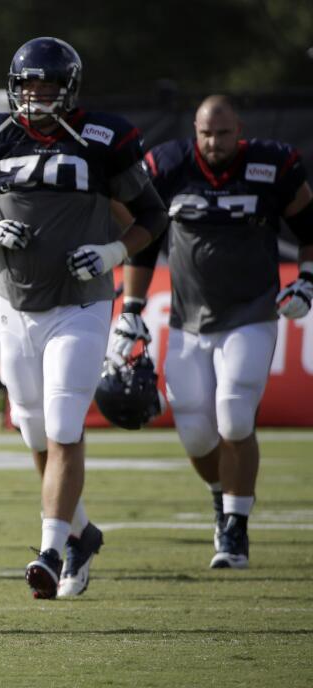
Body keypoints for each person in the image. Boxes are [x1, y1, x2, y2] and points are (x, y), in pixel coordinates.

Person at [0, 37, 168, 599]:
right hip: (14, 304)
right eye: (29, 85)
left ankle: (49, 549)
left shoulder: (103, 138)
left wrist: (114, 252)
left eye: (47, 86)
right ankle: (82, 532)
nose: (37, 96)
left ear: (68, 89)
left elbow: (152, 214)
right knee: (32, 427)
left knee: (64, 427)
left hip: (80, 301)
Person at [118, 95, 313, 569]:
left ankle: (235, 527)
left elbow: (311, 227)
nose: (214, 142)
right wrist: (133, 306)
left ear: (239, 130)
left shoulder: (273, 164)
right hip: (187, 318)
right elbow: (145, 244)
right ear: (194, 130)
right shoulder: (166, 166)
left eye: (223, 134)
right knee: (195, 433)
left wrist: (306, 279)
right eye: (207, 133)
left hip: (252, 311)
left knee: (233, 415)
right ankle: (220, 495)